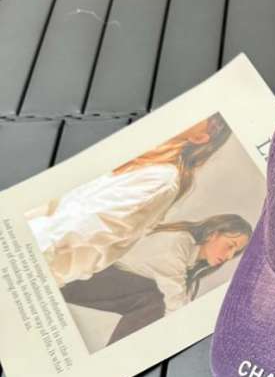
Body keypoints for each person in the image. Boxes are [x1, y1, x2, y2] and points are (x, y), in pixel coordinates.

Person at [28, 114, 230, 287]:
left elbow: (86, 226)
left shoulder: (161, 179)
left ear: (199, 137)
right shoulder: (142, 151)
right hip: (31, 230)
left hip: (35, 259)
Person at [60, 214, 252, 346]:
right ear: (213, 234)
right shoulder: (179, 242)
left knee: (157, 300)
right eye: (230, 245)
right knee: (159, 300)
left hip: (106, 283)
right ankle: (119, 357)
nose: (229, 256)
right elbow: (175, 303)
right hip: (87, 280)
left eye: (236, 252)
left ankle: (121, 354)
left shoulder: (192, 262)